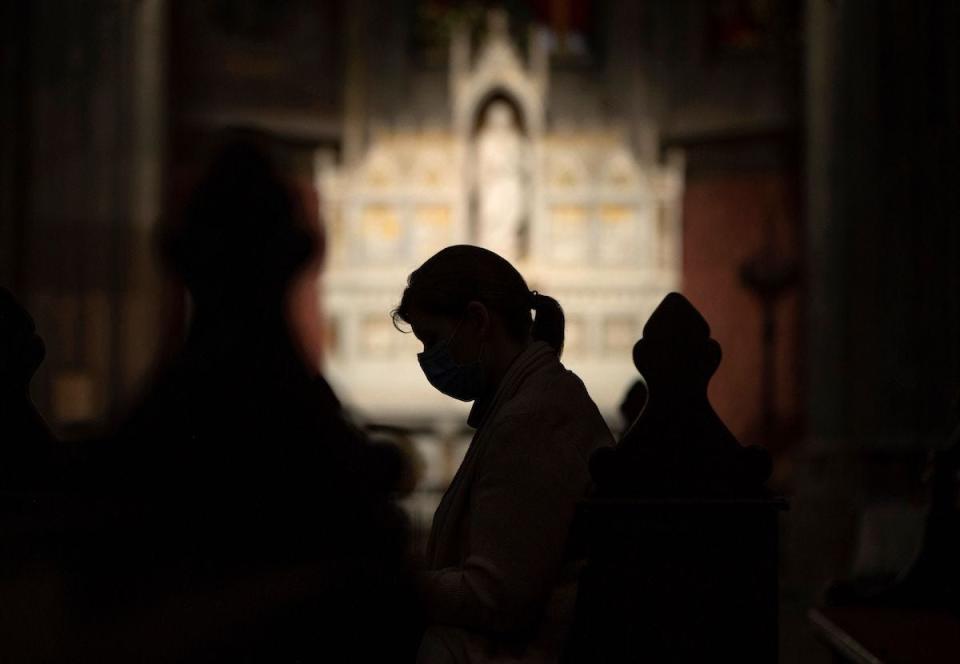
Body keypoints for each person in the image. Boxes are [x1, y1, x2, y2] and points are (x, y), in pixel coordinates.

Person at [392, 245, 614, 663]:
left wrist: (394, 587)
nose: (427, 359)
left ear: (477, 321)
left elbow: (497, 596)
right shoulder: (525, 400)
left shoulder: (532, 417)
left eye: (433, 339)